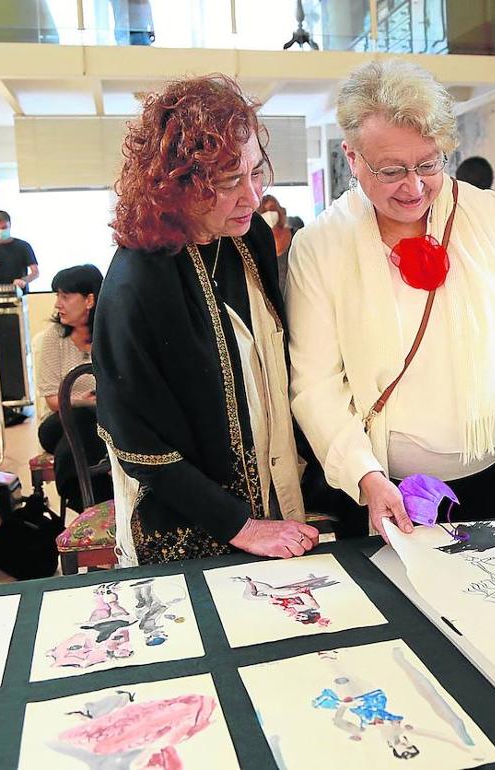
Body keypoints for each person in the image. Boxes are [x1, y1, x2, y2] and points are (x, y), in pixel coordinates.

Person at [288, 59, 495, 542]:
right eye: (391, 170)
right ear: (352, 157)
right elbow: (316, 385)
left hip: (493, 466)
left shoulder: (490, 217)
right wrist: (365, 475)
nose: (414, 186)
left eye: (428, 163)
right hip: (383, 479)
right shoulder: (321, 246)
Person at [95, 75, 318, 565]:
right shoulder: (137, 280)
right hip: (191, 522)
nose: (253, 198)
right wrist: (239, 525)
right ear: (176, 185)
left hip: (272, 492)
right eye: (227, 183)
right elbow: (137, 442)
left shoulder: (247, 237)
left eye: (256, 173)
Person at [33, 264, 112, 512]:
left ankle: (83, 496)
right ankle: (93, 496)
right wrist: (86, 401)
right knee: (82, 417)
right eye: (57, 296)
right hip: (59, 422)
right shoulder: (53, 338)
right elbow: (53, 400)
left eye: (65, 296)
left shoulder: (110, 334)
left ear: (90, 299)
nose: (58, 304)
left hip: (105, 421)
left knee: (94, 425)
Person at [257, 193, 294, 294]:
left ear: (280, 211)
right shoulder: (256, 245)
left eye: (272, 209)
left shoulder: (296, 237)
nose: (269, 214)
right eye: (264, 211)